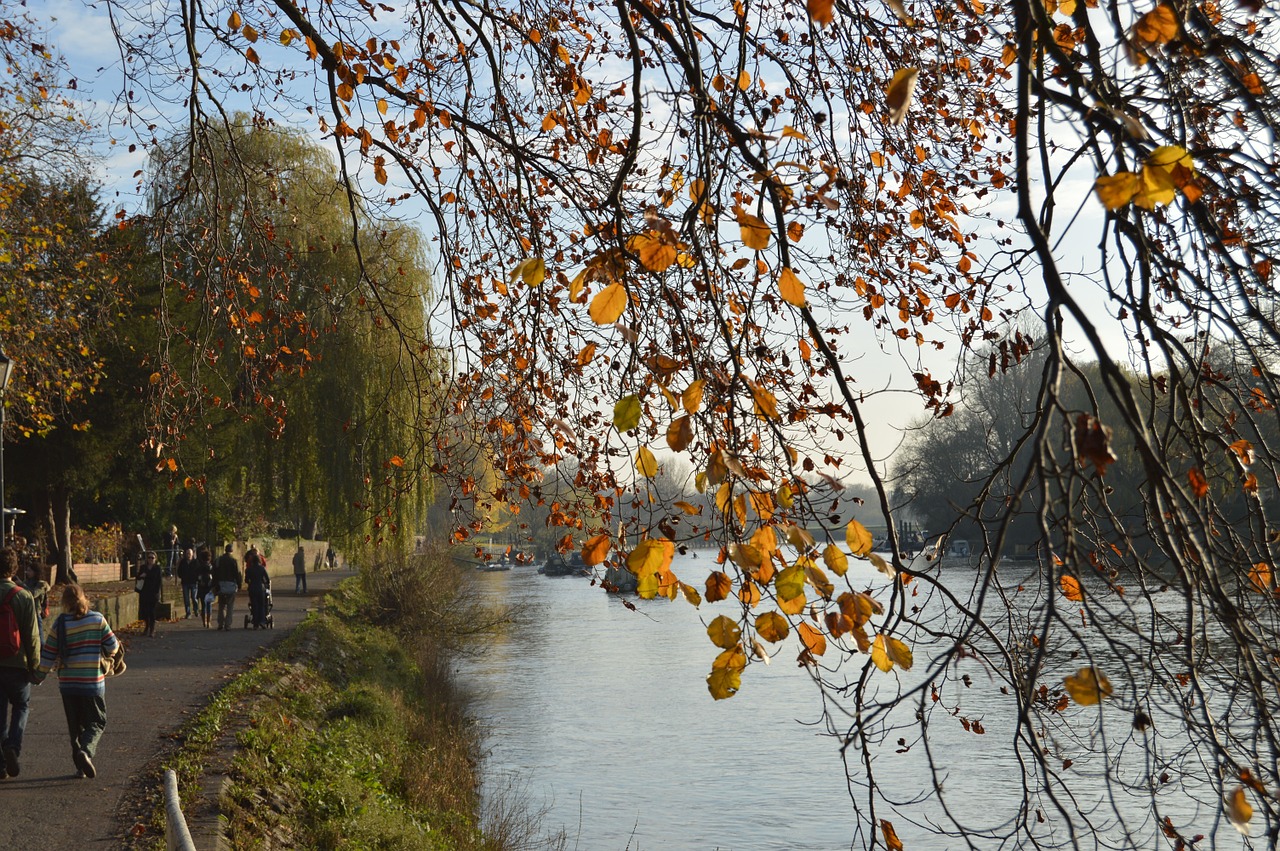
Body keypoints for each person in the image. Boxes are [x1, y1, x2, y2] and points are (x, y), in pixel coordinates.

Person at [35, 583, 119, 779]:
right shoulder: (97, 619)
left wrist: (38, 676)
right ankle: (86, 752)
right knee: (97, 721)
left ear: (65, 602)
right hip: (91, 682)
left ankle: (80, 767)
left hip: (68, 683)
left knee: (75, 726)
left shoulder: (60, 622)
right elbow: (113, 646)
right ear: (84, 598)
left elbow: (49, 653)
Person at [0, 547, 40, 780]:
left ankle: (1, 762)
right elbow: (32, 636)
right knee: (21, 706)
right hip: (18, 665)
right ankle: (13, 747)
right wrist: (36, 667)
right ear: (14, 569)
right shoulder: (23, 596)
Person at [213, 544, 242, 631]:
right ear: (232, 551)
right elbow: (238, 574)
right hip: (230, 584)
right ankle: (228, 624)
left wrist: (215, 585)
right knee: (230, 605)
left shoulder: (218, 560)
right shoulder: (234, 561)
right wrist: (239, 585)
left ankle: (220, 623)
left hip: (221, 584)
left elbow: (214, 573)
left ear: (225, 550)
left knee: (221, 605)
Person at [136, 551, 164, 637]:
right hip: (144, 592)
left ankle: (152, 629)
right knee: (144, 611)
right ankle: (146, 626)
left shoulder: (157, 568)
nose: (151, 559)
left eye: (152, 558)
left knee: (151, 611)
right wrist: (141, 576)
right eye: (149, 557)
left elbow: (158, 581)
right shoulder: (143, 567)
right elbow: (138, 577)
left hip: (153, 593)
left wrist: (158, 593)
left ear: (155, 559)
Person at [245, 551, 270, 629]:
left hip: (252, 588)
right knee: (262, 605)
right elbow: (267, 579)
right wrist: (265, 583)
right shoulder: (262, 568)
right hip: (260, 588)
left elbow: (246, 580)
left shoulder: (249, 569)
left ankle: (255, 623)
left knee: (254, 605)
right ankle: (262, 621)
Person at [177, 547, 199, 619]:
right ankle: (188, 613)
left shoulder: (195, 562)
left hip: (193, 582)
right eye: (187, 554)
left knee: (194, 597)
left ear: (192, 554)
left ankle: (196, 610)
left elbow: (198, 571)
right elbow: (179, 571)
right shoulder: (183, 562)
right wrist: (181, 576)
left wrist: (197, 578)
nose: (188, 555)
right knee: (186, 599)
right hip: (185, 582)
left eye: (189, 553)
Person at [196, 548, 215, 629]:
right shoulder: (211, 567)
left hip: (201, 588)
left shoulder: (199, 567)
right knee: (209, 605)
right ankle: (208, 622)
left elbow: (197, 577)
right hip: (209, 588)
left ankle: (204, 622)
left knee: (203, 605)